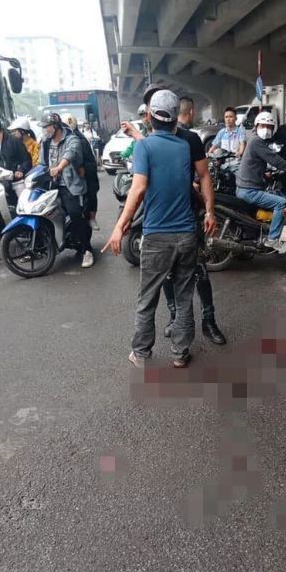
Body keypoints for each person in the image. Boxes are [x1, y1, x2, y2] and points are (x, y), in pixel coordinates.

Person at [102, 90, 216, 368]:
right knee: (184, 296)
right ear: (176, 118)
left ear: (150, 117)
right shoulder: (183, 147)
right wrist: (210, 211)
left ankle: (141, 353)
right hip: (186, 234)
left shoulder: (145, 147)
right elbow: (202, 176)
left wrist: (119, 227)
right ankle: (180, 353)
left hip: (157, 237)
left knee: (148, 298)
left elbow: (138, 189)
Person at [163, 94, 226, 345]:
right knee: (167, 272)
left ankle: (209, 321)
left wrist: (209, 211)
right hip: (161, 218)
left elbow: (205, 175)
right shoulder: (152, 139)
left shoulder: (190, 139)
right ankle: (174, 317)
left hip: (188, 214)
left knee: (199, 269)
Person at [39, 112, 93, 268]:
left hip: (68, 186)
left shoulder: (72, 139)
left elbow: (70, 154)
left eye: (47, 127)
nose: (45, 130)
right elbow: (41, 164)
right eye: (44, 127)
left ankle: (87, 250)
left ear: (56, 126)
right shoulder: (45, 142)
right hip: (51, 185)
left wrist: (59, 167)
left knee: (75, 214)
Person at [236, 111, 286, 251]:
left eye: (269, 127)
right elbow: (274, 159)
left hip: (245, 187)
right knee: (282, 203)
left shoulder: (255, 141)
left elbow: (257, 162)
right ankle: (272, 238)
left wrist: (265, 174)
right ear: (256, 126)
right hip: (249, 190)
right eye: (263, 126)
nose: (266, 129)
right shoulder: (256, 141)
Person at [61, 112, 101, 231]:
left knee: (90, 192)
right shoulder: (54, 141)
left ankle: (91, 218)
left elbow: (81, 159)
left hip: (82, 175)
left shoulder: (79, 140)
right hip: (64, 177)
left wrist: (81, 167)